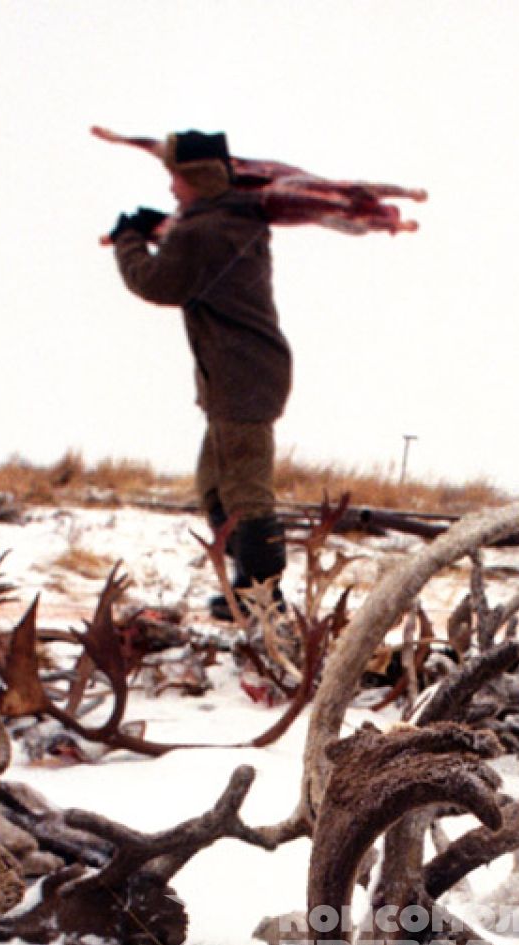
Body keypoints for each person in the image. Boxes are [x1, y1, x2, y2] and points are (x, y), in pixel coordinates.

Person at [107, 130, 292, 611]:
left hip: (242, 378)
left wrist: (129, 238)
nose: (170, 189)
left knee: (246, 489)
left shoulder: (205, 231)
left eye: (175, 179)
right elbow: (193, 241)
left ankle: (261, 598)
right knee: (214, 484)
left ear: (197, 178)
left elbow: (154, 281)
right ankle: (243, 584)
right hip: (240, 375)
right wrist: (164, 226)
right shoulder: (234, 217)